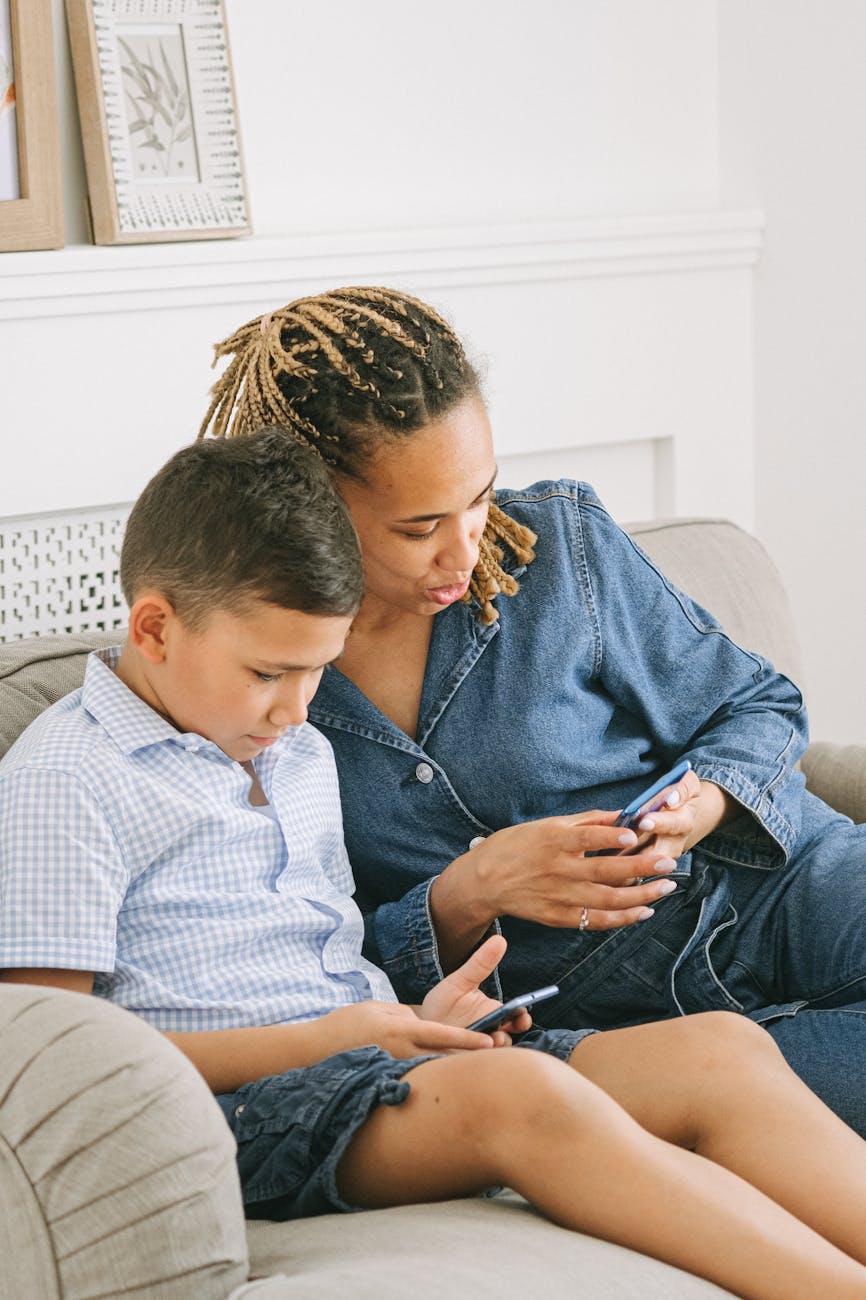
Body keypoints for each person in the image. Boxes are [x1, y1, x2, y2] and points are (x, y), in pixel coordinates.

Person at [6, 435, 866, 1297]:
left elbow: (319, 956)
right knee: (524, 1098)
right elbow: (51, 1068)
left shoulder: (290, 749)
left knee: (719, 1050)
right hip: (241, 1114)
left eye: (317, 671)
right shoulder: (66, 781)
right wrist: (335, 1037)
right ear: (153, 626)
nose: (297, 707)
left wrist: (413, 1011)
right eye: (269, 672)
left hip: (371, 1065)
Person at [199, 285, 866, 1142]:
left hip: (775, 892)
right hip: (591, 1020)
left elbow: (756, 704)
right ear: (309, 504)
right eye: (419, 526)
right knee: (734, 1083)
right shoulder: (250, 681)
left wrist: (702, 802)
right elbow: (301, 962)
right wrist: (467, 892)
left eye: (478, 497)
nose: (466, 547)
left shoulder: (559, 545)